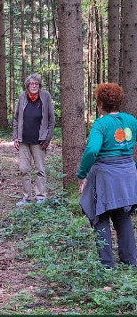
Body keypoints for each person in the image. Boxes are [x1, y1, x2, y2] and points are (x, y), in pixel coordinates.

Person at [78, 83, 137, 269]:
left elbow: (92, 150)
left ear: (101, 103)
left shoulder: (101, 124)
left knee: (100, 215)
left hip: (106, 175)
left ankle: (107, 265)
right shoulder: (131, 121)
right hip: (128, 173)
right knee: (123, 215)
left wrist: (82, 174)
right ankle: (130, 261)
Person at [12, 72, 55, 205]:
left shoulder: (45, 96)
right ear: (27, 85)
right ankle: (27, 197)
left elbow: (52, 120)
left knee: (40, 169)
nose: (34, 86)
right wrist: (15, 137)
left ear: (40, 85)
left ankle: (41, 196)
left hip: (39, 141)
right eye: (31, 83)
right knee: (24, 169)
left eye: (36, 83)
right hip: (23, 140)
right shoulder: (22, 97)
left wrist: (47, 138)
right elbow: (16, 117)